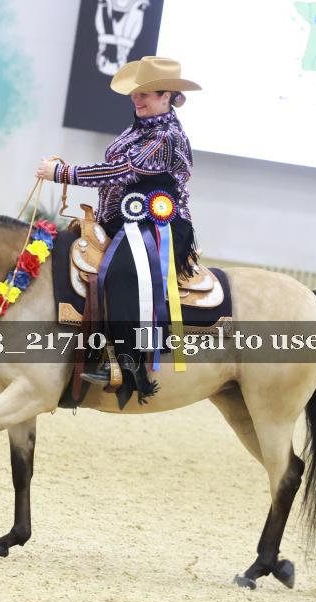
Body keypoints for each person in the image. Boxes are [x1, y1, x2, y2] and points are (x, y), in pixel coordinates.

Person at [35, 56, 200, 403]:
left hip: (157, 225)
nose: (137, 99)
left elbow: (122, 171)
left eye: (146, 93)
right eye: (135, 93)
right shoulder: (138, 129)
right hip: (123, 221)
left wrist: (63, 174)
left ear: (168, 96)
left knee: (123, 271)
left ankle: (128, 363)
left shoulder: (166, 136)